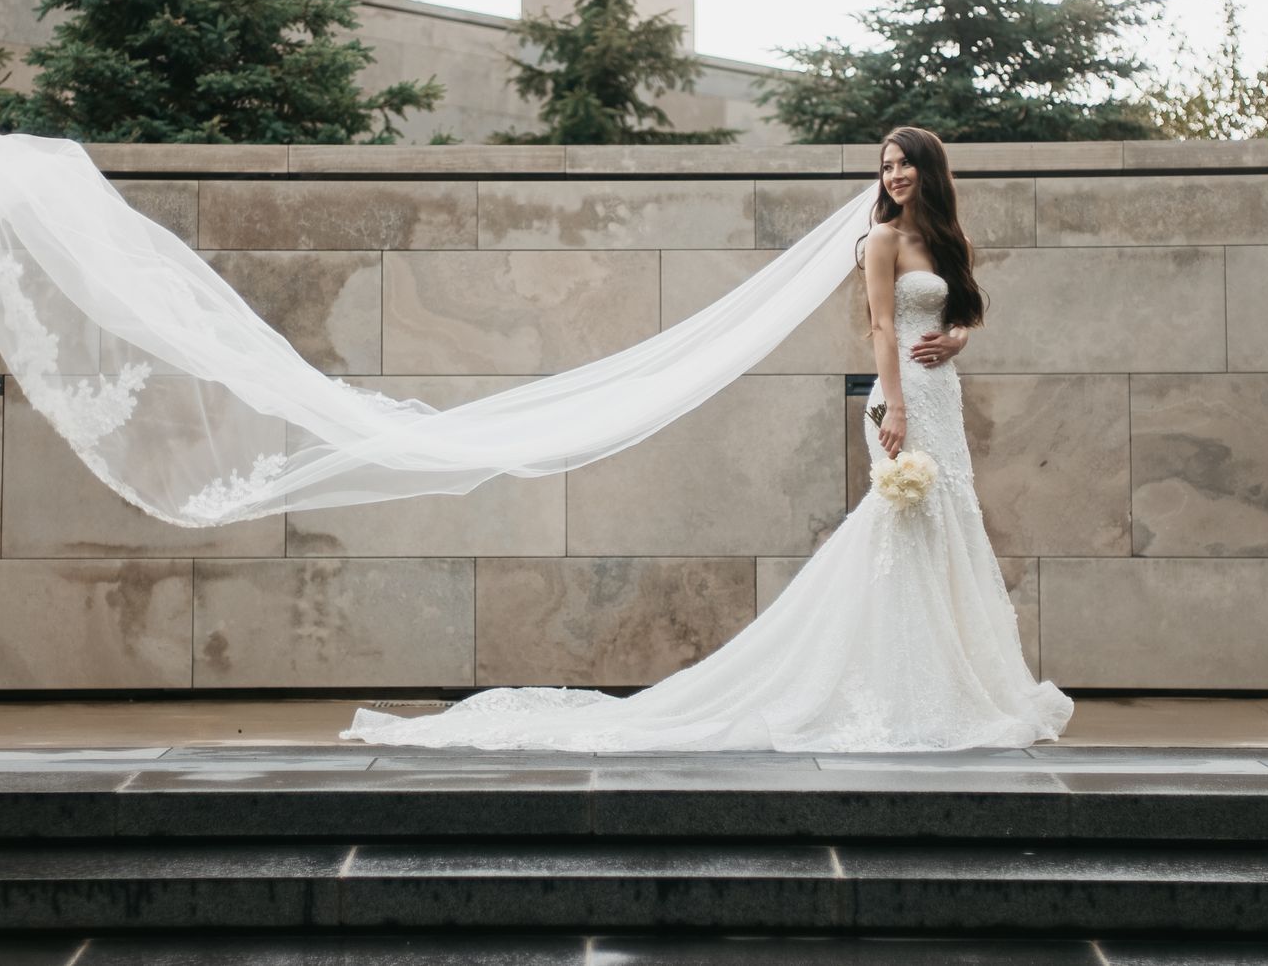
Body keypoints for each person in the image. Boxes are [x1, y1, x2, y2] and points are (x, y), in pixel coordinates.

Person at [343, 126, 1073, 752]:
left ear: (929, 169)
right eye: (885, 166)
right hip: (904, 400)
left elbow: (968, 310)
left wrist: (957, 342)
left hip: (942, 394)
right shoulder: (878, 240)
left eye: (903, 162)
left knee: (950, 527)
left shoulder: (948, 239)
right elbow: (882, 327)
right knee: (901, 529)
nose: (893, 174)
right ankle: (899, 690)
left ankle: (953, 684)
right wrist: (897, 408)